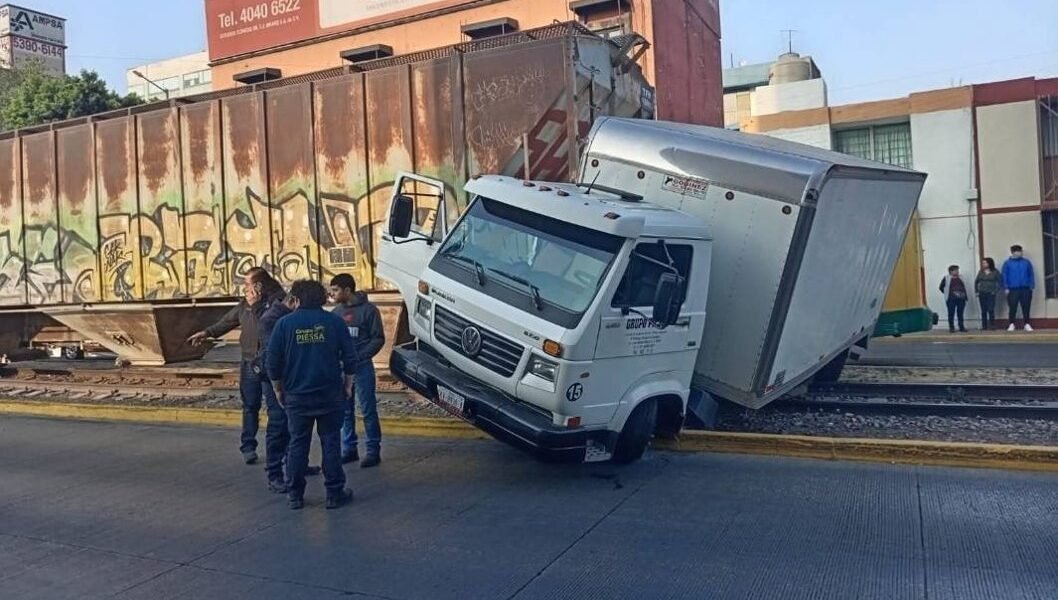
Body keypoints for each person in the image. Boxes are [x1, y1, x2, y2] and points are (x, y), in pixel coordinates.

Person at [267, 280, 357, 510]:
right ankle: (334, 493)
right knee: (331, 442)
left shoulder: (284, 325)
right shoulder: (334, 322)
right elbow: (350, 357)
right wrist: (347, 385)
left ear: (296, 300)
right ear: (322, 299)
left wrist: (278, 389)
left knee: (298, 444)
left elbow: (273, 363)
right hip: (329, 395)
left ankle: (295, 494)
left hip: (297, 396)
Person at [188, 267, 285, 464]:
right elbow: (228, 321)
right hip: (249, 361)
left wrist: (257, 306)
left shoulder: (277, 302)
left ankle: (278, 454)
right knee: (250, 405)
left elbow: (267, 326)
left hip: (269, 362)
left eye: (247, 284)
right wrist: (207, 333)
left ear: (259, 285)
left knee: (276, 410)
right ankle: (248, 446)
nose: (244, 288)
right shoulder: (244, 304)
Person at [329, 274, 385, 468]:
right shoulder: (335, 313)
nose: (332, 293)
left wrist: (360, 356)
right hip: (342, 370)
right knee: (345, 411)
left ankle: (372, 450)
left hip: (362, 368)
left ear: (347, 290)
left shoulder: (369, 311)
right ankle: (349, 449)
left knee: (368, 409)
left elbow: (378, 338)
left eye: (335, 290)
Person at [1001, 244, 1035, 332]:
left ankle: (1027, 324)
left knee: (1026, 306)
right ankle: (1011, 324)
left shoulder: (1026, 262)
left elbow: (1031, 274)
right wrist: (1006, 287)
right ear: (1013, 252)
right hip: (1012, 289)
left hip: (1025, 288)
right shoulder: (1007, 263)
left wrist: (1031, 285)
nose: (1020, 253)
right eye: (1019, 252)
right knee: (1012, 307)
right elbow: (1004, 275)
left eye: (1021, 251)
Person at [939, 265, 968, 333]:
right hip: (951, 299)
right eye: (955, 270)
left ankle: (961, 327)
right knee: (951, 313)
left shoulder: (961, 277)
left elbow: (964, 286)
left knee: (960, 313)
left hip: (961, 298)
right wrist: (947, 293)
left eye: (957, 270)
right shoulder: (946, 278)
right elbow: (941, 287)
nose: (957, 271)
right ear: (951, 271)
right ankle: (951, 328)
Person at [975, 257, 1001, 331]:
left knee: (990, 309)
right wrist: (976, 291)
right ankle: (984, 326)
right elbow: (976, 281)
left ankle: (992, 325)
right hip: (982, 292)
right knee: (983, 310)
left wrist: (995, 291)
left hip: (991, 293)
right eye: (983, 263)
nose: (983, 264)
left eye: (985, 263)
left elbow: (1000, 282)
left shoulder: (995, 272)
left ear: (989, 263)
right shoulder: (981, 271)